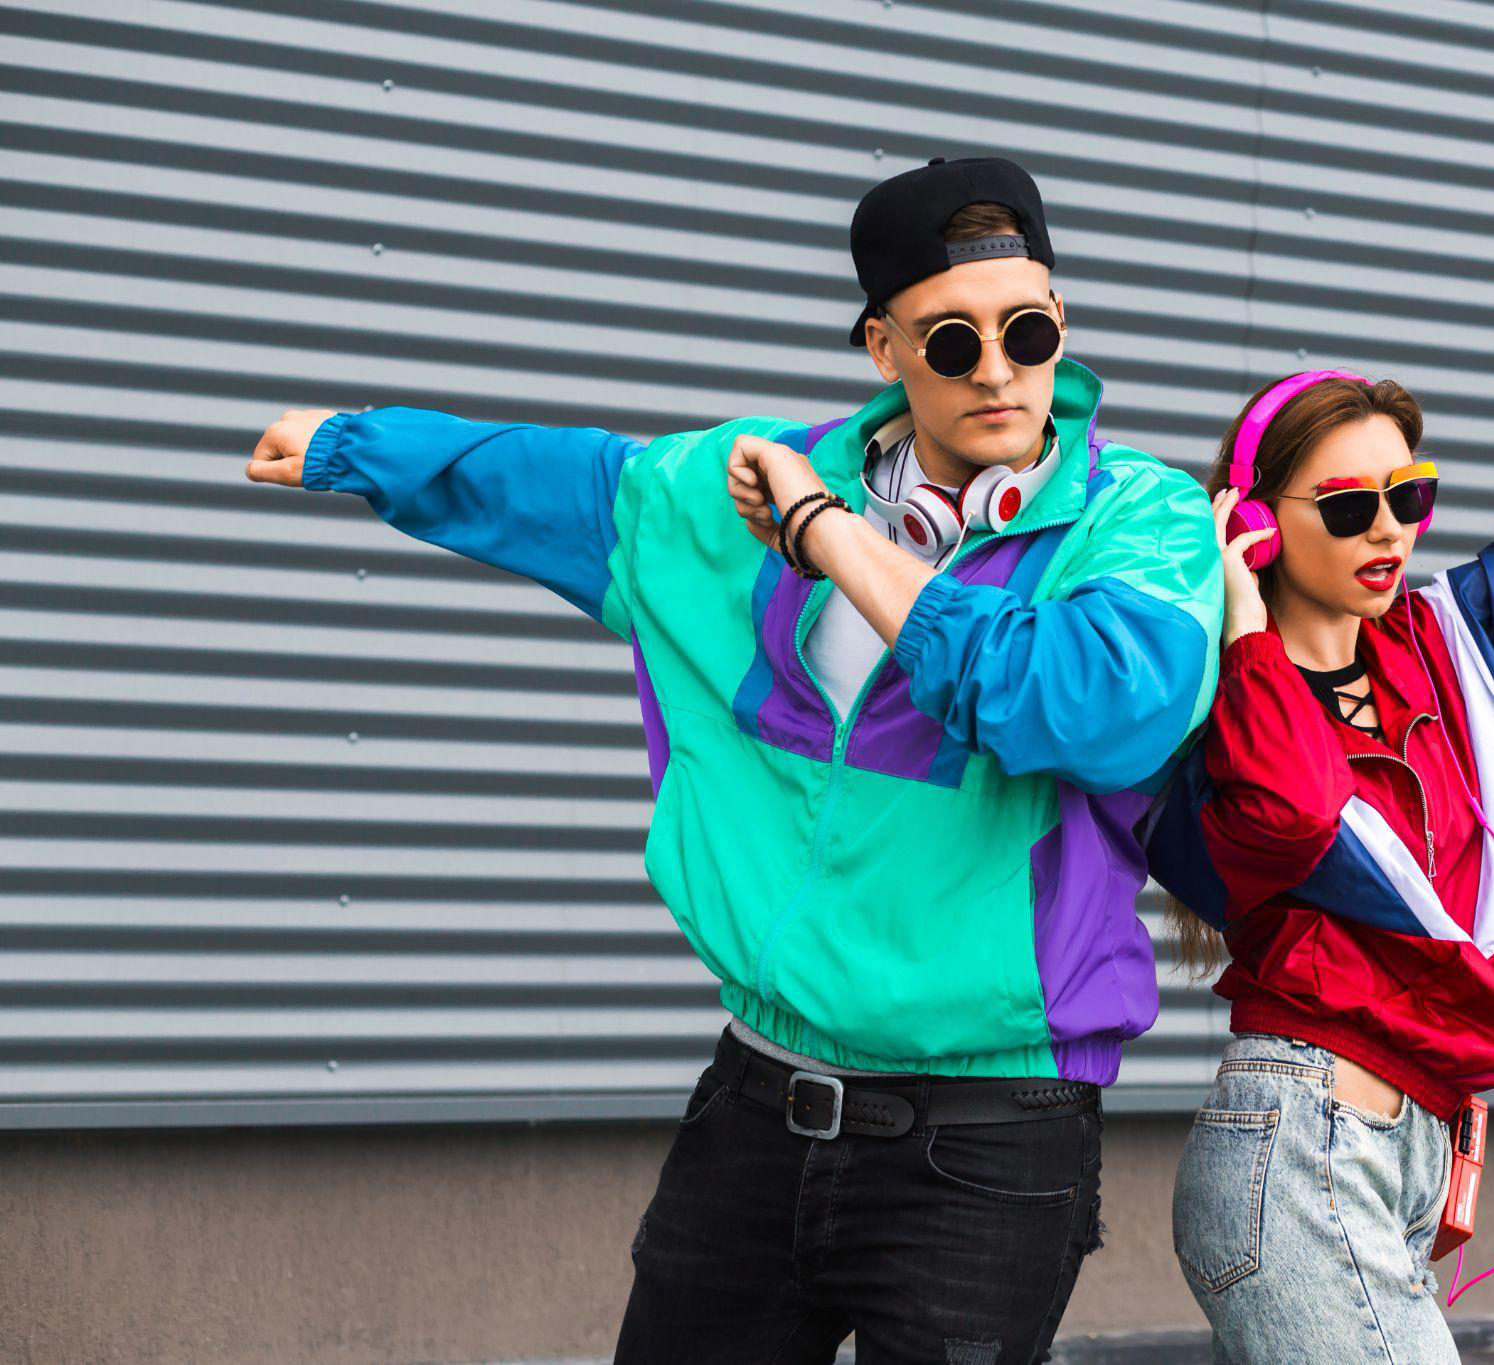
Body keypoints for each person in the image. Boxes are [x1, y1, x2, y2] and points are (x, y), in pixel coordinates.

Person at [244, 156, 1223, 1363]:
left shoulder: (1138, 518)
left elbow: (1090, 710)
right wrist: (359, 446)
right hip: (756, 1109)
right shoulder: (752, 479)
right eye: (949, 339)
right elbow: (581, 488)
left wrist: (830, 537)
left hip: (985, 1140)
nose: (996, 370)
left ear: (1059, 323)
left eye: (1026, 332)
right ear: (882, 348)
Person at [1142, 176, 1494, 1363]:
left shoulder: (1449, 643)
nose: (1389, 530)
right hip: (1301, 1152)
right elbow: (1293, 811)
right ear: (1255, 522)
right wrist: (1244, 623)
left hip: (1405, 1156)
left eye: (1408, 496)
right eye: (1348, 505)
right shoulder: (1205, 708)